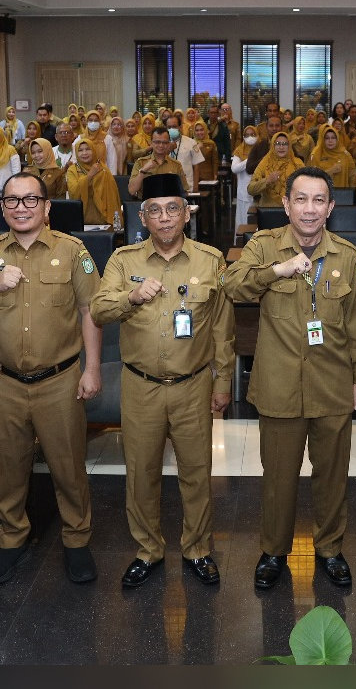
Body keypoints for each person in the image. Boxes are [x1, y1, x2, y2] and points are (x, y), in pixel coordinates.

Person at [222, 166, 356, 590]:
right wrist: (278, 270)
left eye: (318, 200)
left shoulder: (347, 255)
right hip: (279, 386)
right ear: (286, 204)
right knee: (279, 478)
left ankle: (329, 548)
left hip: (333, 384)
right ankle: (274, 551)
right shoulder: (263, 245)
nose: (309, 209)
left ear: (330, 207)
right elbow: (232, 286)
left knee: (332, 476)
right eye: (301, 199)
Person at [0, 172, 102, 584]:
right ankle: (12, 541)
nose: (21, 208)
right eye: (12, 201)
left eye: (30, 200)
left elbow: (92, 310)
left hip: (59, 380)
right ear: (2, 208)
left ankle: (76, 540)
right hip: (3, 381)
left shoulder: (73, 251)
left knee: (68, 467)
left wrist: (91, 369)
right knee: (10, 468)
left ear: (47, 206)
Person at [90, 173, 233, 587]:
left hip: (193, 385)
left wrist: (222, 382)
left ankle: (198, 549)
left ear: (187, 214)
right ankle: (148, 550)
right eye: (155, 210)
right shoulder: (123, 261)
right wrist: (130, 297)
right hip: (141, 386)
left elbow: (222, 327)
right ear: (143, 216)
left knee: (196, 472)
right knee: (141, 473)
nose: (165, 218)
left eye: (173, 208)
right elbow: (99, 311)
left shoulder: (210, 260)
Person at [67, 137, 120, 225]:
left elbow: (112, 196)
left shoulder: (103, 169)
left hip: (103, 218)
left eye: (88, 149)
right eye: (80, 150)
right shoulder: (72, 170)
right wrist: (90, 175)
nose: (84, 153)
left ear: (94, 151)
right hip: (81, 218)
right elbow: (74, 192)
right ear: (76, 152)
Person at [129, 126, 187, 199]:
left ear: (169, 143)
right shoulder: (141, 163)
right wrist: (143, 171)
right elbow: (132, 191)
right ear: (151, 142)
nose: (161, 145)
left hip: (169, 206)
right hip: (147, 206)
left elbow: (184, 191)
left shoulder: (176, 165)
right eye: (157, 142)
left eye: (164, 142)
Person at [247, 131, 301, 208]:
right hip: (269, 210)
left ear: (289, 146)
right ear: (273, 145)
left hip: (293, 209)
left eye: (285, 144)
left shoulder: (297, 163)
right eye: (278, 144)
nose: (281, 147)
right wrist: (267, 180)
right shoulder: (265, 163)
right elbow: (250, 189)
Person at [310, 124, 356, 190]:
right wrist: (330, 171)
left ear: (337, 139)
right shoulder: (317, 155)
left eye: (333, 138)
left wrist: (351, 195)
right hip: (321, 194)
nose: (330, 140)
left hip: (343, 194)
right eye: (327, 138)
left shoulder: (345, 155)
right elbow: (312, 179)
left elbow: (352, 178)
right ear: (323, 140)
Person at [231, 126, 260, 231]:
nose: (250, 137)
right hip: (244, 192)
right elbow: (234, 168)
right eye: (247, 135)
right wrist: (250, 160)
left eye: (253, 134)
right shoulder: (239, 150)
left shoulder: (261, 149)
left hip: (259, 191)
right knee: (243, 221)